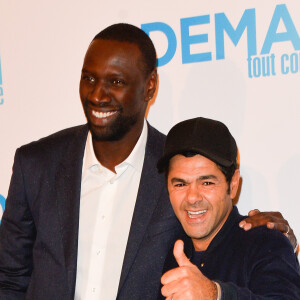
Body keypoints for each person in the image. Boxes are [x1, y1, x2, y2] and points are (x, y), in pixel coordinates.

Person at [0, 24, 297, 300]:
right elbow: (10, 278)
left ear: (150, 87)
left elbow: (218, 228)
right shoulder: (36, 164)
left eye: (116, 81)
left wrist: (272, 233)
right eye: (89, 78)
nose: (97, 95)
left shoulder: (174, 166)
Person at [157, 117, 300, 299]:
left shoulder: (266, 243)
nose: (192, 197)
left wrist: (215, 294)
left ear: (233, 185)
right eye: (180, 184)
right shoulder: (167, 249)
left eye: (207, 182)